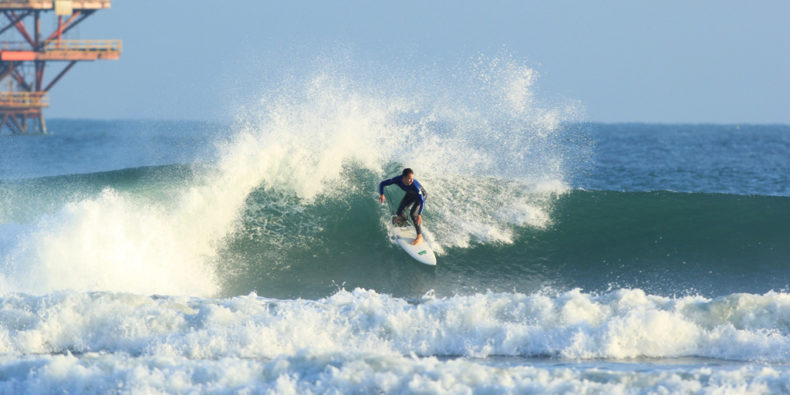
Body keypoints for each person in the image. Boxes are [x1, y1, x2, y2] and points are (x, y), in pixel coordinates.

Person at [379, 168, 427, 245]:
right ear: (403, 177)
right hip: (411, 193)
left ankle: (419, 236)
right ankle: (404, 218)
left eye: (412, 178)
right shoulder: (397, 180)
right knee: (399, 212)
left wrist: (419, 214)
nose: (411, 181)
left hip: (421, 196)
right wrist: (382, 194)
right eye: (409, 179)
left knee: (413, 214)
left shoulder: (415, 186)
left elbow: (422, 200)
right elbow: (382, 183)